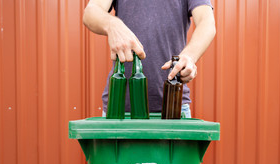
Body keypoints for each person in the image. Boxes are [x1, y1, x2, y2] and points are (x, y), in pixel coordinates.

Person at [83, 0, 216, 118]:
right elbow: (91, 12)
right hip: (119, 110)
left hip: (173, 110)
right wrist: (112, 24)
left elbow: (207, 22)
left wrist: (189, 56)